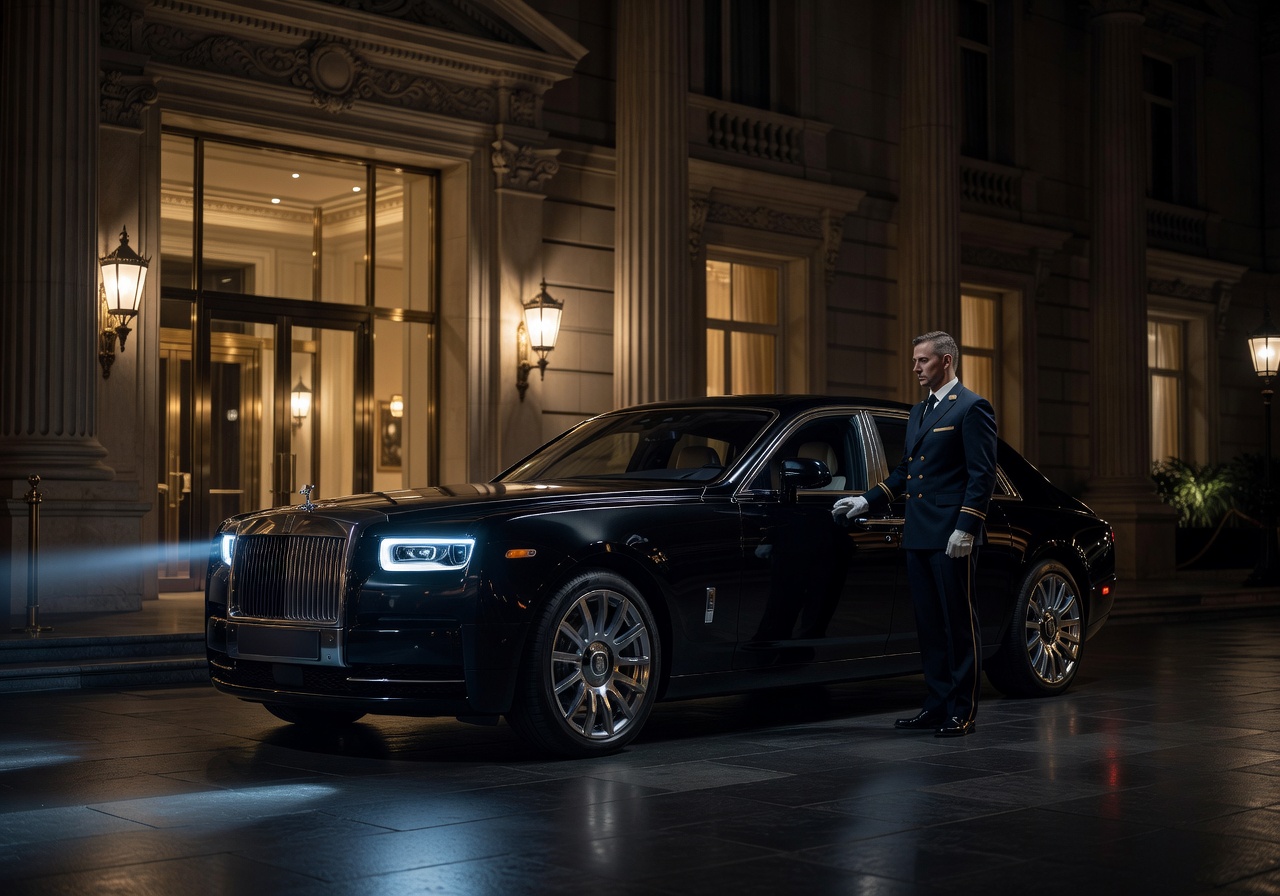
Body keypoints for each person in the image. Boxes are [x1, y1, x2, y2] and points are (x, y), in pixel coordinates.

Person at [833, 331, 997, 737]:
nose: (915, 368)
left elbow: (982, 476)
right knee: (929, 625)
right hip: (920, 531)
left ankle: (963, 710)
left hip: (952, 536)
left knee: (958, 623)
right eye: (914, 361)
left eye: (922, 361)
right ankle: (937, 705)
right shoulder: (919, 411)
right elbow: (906, 472)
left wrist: (967, 527)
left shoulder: (972, 408)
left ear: (945, 361)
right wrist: (866, 501)